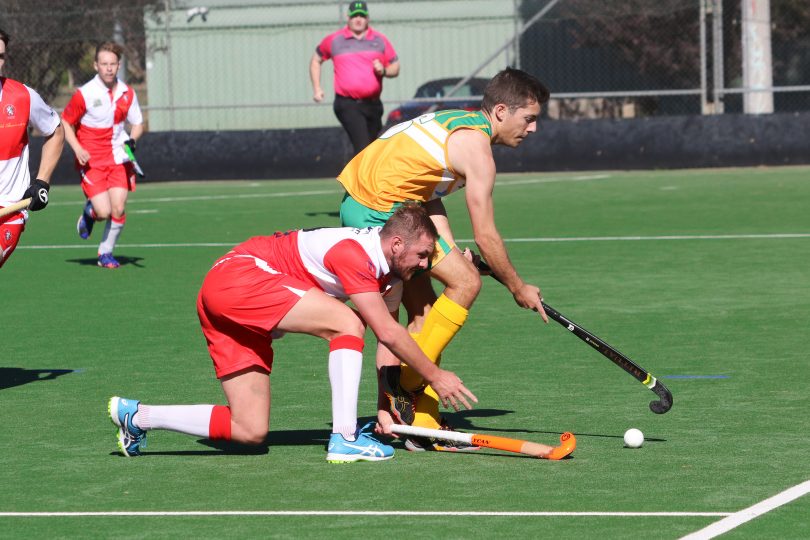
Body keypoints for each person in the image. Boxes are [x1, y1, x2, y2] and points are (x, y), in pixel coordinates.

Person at [108, 205, 477, 463]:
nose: (427, 265)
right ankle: (345, 439)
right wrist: (436, 376)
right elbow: (384, 330)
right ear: (397, 245)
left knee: (249, 429)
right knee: (348, 323)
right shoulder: (355, 254)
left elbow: (388, 340)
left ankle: (138, 417)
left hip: (228, 301)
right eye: (423, 255)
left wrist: (386, 409)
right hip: (237, 277)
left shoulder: (393, 274)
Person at [337, 67, 550, 450]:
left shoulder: (459, 122)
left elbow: (426, 189)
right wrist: (518, 287)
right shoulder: (477, 150)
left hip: (380, 204)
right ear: (501, 111)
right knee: (467, 284)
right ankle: (405, 385)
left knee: (425, 314)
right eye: (529, 119)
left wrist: (449, 248)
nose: (533, 129)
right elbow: (486, 235)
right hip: (380, 212)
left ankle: (418, 422)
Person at [61, 41, 143, 269]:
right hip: (92, 161)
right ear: (96, 65)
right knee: (104, 211)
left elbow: (138, 124)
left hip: (118, 159)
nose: (109, 68)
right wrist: (77, 148)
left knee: (118, 209)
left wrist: (132, 140)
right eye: (104, 64)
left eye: (113, 64)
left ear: (119, 65)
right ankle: (91, 211)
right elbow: (66, 123)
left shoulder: (128, 93)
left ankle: (105, 253)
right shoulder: (84, 94)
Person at [0, 28, 64, 269]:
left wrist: (42, 182)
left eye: (1, 56)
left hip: (9, 211)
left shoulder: (23, 97)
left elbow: (55, 130)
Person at [309, 1, 399, 156]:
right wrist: (317, 88)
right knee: (363, 148)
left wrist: (383, 70)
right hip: (347, 103)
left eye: (362, 16)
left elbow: (395, 67)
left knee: (373, 148)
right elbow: (316, 60)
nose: (358, 19)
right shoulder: (335, 40)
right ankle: (362, 180)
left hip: (373, 105)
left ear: (368, 18)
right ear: (348, 18)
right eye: (355, 16)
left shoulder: (379, 40)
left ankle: (360, 178)